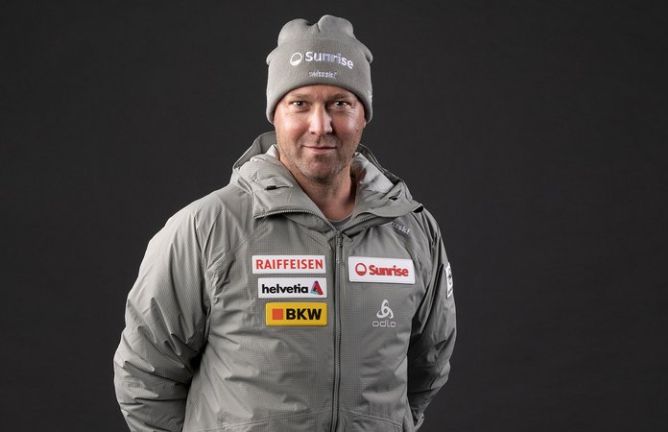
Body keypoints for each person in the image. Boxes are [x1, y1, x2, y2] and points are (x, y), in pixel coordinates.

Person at [113, 14, 456, 432]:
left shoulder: (413, 231)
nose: (320, 125)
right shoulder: (207, 228)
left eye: (340, 104)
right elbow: (145, 374)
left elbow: (426, 367)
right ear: (275, 113)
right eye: (300, 104)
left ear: (363, 115)